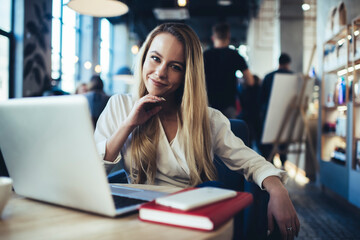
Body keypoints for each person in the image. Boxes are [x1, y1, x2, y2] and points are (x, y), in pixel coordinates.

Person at [94, 23, 299, 239]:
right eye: (155, 58)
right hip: (136, 217)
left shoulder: (208, 119)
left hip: (186, 220)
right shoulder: (120, 106)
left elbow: (251, 161)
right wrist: (129, 125)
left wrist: (278, 189)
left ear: (187, 75)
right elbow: (93, 173)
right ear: (144, 57)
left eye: (175, 67)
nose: (160, 73)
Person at [203, 22, 254, 118]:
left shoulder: (205, 55)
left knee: (208, 131)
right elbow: (250, 81)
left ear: (213, 37)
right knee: (228, 130)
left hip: (208, 103)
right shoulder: (235, 55)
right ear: (228, 36)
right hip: (229, 104)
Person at [258, 53, 293, 167]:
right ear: (288, 64)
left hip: (270, 114)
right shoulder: (292, 76)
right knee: (284, 140)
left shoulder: (268, 76)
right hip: (287, 115)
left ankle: (270, 163)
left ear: (279, 62)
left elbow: (261, 97)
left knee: (269, 141)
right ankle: (283, 162)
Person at [237, 74, 261, 149]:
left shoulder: (243, 90)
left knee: (248, 140)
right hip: (256, 117)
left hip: (246, 117)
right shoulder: (258, 90)